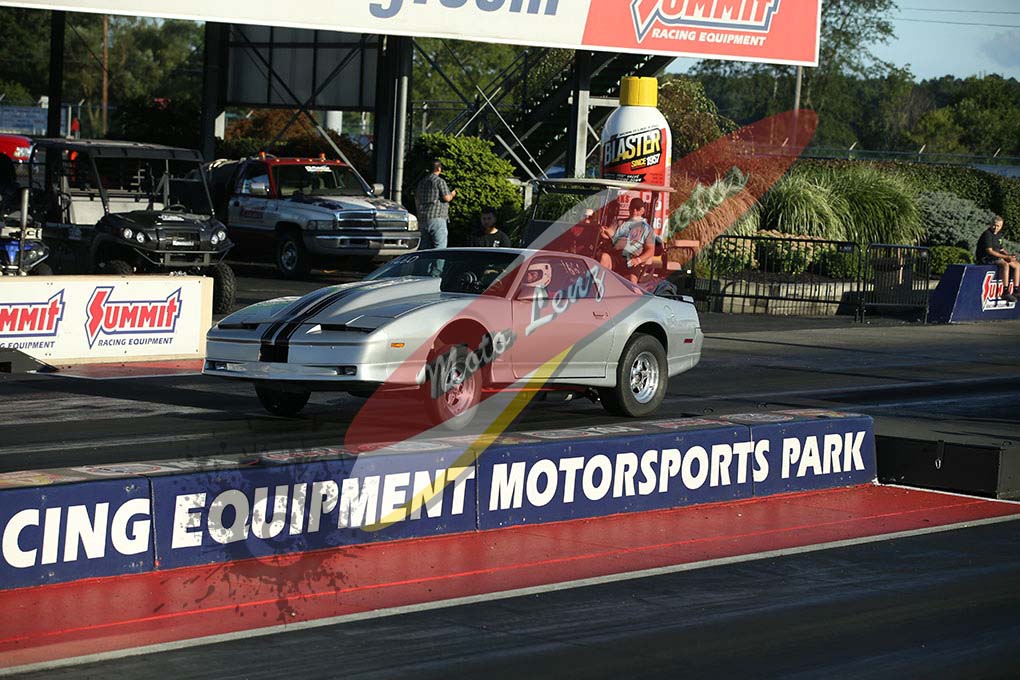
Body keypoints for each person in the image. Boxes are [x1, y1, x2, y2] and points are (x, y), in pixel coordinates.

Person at [599, 197, 656, 283]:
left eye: (637, 209)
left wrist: (639, 260)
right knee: (604, 257)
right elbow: (609, 234)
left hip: (632, 258)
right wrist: (602, 231)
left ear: (642, 211)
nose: (634, 211)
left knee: (632, 279)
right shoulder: (620, 222)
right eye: (632, 208)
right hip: (616, 255)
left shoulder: (647, 229)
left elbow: (651, 250)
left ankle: (633, 290)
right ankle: (599, 286)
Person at [976, 214, 1019, 303]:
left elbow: (1001, 249)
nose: (996, 228)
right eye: (994, 225)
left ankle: (1016, 291)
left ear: (1001, 226)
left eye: (998, 226)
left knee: (1017, 265)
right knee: (1005, 264)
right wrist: (1005, 257)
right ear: (991, 224)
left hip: (996, 256)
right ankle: (1005, 292)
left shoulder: (999, 235)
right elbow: (990, 251)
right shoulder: (987, 234)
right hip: (986, 258)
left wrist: (1010, 256)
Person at [414, 160, 456, 250]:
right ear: (439, 168)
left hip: (423, 218)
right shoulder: (439, 181)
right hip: (437, 217)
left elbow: (417, 199)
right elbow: (446, 198)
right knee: (440, 247)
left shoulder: (422, 182)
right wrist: (452, 194)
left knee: (424, 248)